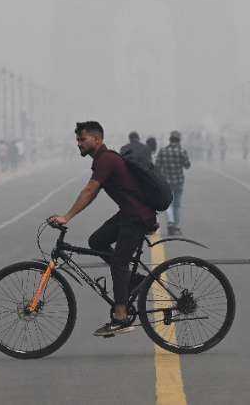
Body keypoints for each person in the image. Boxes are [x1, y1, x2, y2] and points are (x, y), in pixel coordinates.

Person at [50, 121, 156, 337]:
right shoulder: (103, 159)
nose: (78, 143)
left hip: (136, 218)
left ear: (97, 139)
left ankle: (120, 317)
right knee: (97, 241)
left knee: (119, 262)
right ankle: (135, 282)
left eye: (83, 139)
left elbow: (90, 191)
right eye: (77, 139)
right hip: (128, 215)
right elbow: (93, 193)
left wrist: (66, 217)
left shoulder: (106, 159)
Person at [155, 130, 191, 235]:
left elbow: (157, 166)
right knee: (177, 204)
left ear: (170, 139)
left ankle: (170, 222)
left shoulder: (162, 151)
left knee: (169, 204)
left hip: (166, 182)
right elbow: (187, 165)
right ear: (179, 140)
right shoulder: (182, 151)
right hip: (179, 181)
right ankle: (176, 226)